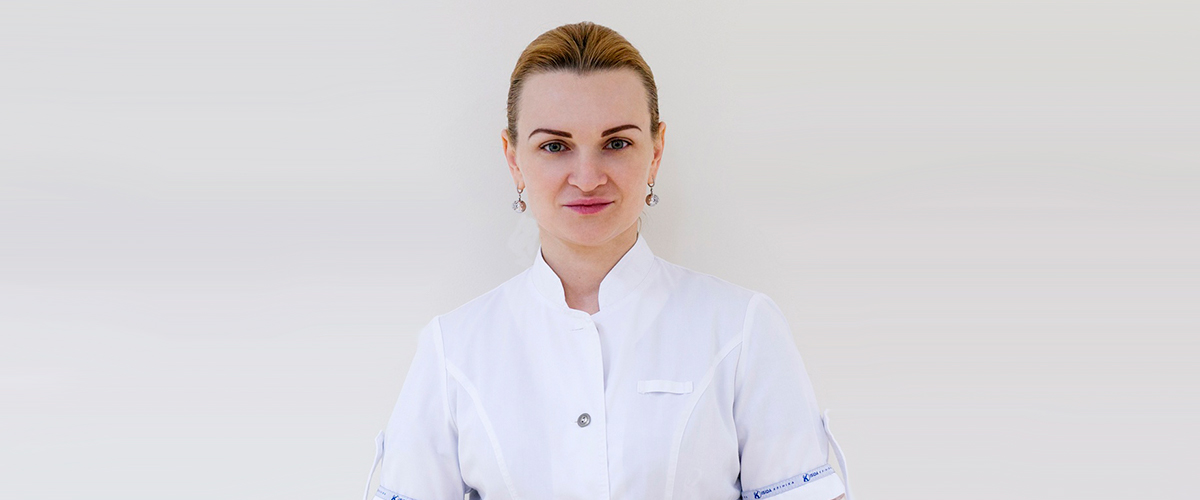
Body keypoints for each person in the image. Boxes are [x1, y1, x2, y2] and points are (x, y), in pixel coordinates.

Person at [362, 21, 851, 500]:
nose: (587, 177)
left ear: (655, 151)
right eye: (555, 146)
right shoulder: (453, 351)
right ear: (513, 159)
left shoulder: (741, 330)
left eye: (616, 143)